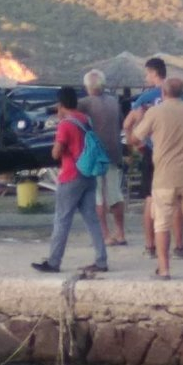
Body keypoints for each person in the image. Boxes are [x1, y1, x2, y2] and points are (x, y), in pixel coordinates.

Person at [131, 78, 183, 279]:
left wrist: (141, 119)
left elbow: (135, 138)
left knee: (161, 223)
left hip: (165, 176)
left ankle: (164, 269)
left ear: (163, 93)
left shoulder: (155, 112)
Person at [122, 57, 183, 259]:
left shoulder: (145, 99)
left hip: (153, 152)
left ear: (154, 73)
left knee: (150, 199)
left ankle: (150, 246)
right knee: (178, 199)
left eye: (147, 73)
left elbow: (128, 123)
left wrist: (136, 142)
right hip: (179, 154)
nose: (146, 77)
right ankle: (179, 245)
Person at [31, 87, 108, 273]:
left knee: (62, 220)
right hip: (88, 174)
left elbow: (56, 153)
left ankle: (54, 262)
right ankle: (101, 260)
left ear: (60, 104)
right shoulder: (85, 119)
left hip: (71, 175)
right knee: (92, 219)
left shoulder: (65, 124)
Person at [78, 69, 126, 246]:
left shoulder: (85, 103)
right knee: (115, 194)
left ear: (88, 86)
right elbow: (120, 123)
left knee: (98, 197)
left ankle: (105, 235)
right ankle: (120, 233)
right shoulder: (114, 101)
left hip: (96, 155)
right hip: (114, 153)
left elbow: (69, 113)